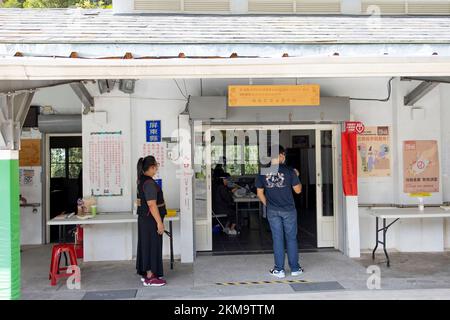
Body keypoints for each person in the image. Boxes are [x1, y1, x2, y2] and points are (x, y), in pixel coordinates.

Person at [256, 145, 303, 278]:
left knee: (277, 239)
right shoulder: (289, 171)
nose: (284, 158)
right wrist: (297, 176)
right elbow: (298, 190)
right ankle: (295, 269)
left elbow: (260, 193)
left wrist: (269, 205)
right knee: (291, 238)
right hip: (289, 210)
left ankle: (279, 270)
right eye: (284, 155)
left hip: (273, 210)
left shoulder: (262, 172)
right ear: (281, 155)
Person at [136, 156, 167, 287]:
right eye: (156, 166)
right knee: (151, 246)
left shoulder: (142, 180)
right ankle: (150, 276)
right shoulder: (148, 183)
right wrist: (159, 223)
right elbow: (152, 204)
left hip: (145, 219)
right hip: (150, 221)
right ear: (152, 167)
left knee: (146, 245)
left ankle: (147, 274)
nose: (157, 169)